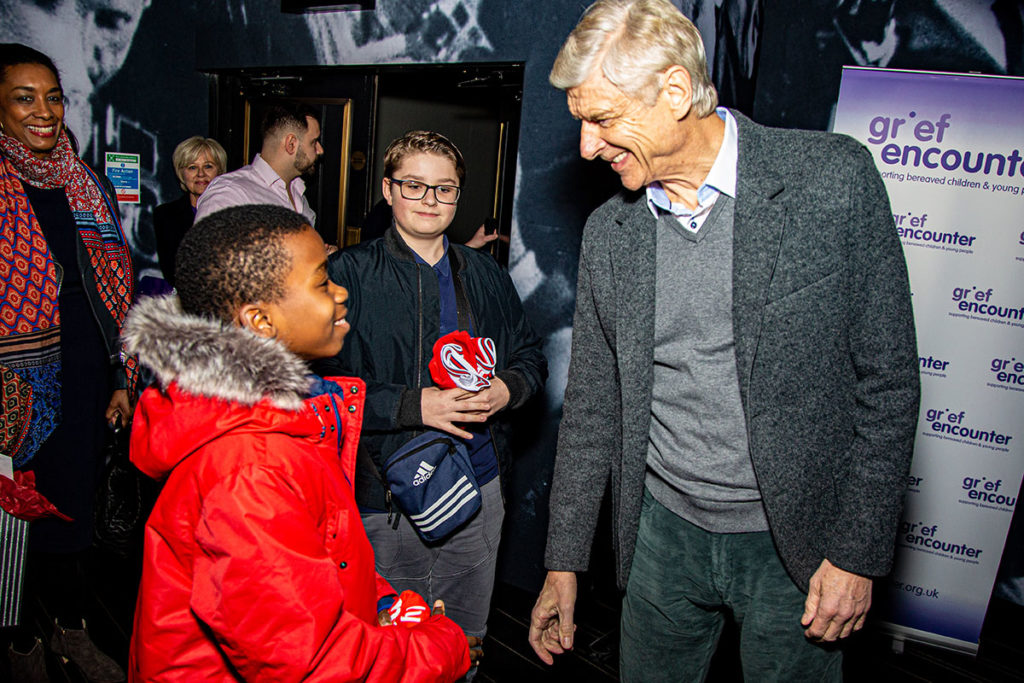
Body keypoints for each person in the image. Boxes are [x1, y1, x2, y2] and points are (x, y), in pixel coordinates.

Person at [527, 1, 920, 680]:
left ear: (676, 92)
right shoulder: (610, 234)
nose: (587, 146)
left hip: (796, 546)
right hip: (660, 536)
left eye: (603, 119)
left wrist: (857, 553)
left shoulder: (832, 181)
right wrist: (563, 563)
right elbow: (592, 408)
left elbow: (888, 382)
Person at [124, 204, 471, 682]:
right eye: (322, 282)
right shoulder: (249, 470)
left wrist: (382, 604)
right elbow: (312, 665)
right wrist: (442, 648)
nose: (341, 292)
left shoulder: (277, 418)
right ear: (260, 321)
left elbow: (318, 554)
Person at [319, 131, 546, 677]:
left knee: (464, 643)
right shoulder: (347, 275)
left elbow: (530, 357)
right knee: (388, 650)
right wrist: (413, 405)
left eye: (444, 189)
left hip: (480, 485)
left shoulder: (486, 273)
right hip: (386, 496)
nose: (429, 200)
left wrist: (507, 389)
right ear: (387, 190)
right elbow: (318, 387)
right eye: (414, 185)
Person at [0, 43, 134, 683]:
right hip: (11, 381)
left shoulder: (87, 183)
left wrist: (120, 376)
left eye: (53, 97)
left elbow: (116, 291)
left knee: (74, 507)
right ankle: (20, 639)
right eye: (24, 98)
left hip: (82, 371)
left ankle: (71, 628)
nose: (44, 111)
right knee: (13, 516)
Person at [194, 103, 321, 225]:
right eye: (314, 142)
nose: (320, 150)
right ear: (291, 144)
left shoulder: (297, 191)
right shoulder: (230, 194)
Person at [152, 136, 226, 287]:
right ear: (181, 173)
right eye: (192, 167)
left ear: (219, 171)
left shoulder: (233, 211)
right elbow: (172, 270)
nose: (201, 174)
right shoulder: (165, 215)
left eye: (208, 166)